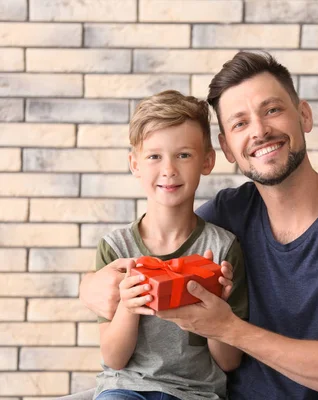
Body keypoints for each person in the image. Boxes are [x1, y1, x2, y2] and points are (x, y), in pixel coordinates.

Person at [80, 51, 318, 400]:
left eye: (272, 110)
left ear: (304, 116)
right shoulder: (227, 215)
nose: (260, 131)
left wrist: (228, 328)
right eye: (239, 123)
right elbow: (162, 241)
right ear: (226, 149)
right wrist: (89, 286)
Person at [91, 90, 248, 400]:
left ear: (207, 160)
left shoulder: (222, 249)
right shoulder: (116, 250)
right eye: (154, 156)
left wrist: (216, 308)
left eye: (183, 154)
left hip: (196, 393)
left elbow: (229, 362)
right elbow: (113, 358)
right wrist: (128, 304)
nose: (169, 169)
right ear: (135, 163)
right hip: (127, 389)